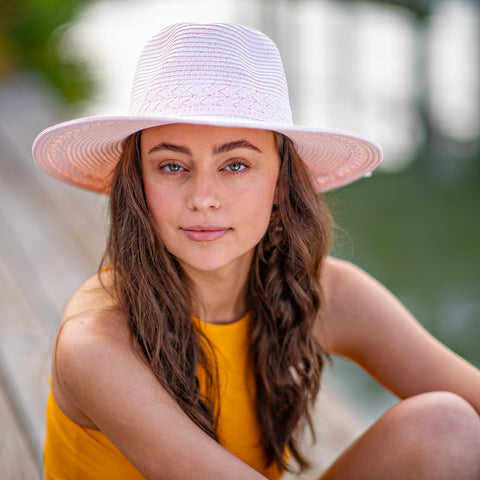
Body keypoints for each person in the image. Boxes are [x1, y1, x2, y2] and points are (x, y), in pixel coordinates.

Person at [32, 22, 480, 480]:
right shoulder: (97, 342)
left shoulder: (322, 292)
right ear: (138, 185)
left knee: (449, 427)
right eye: (171, 165)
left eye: (236, 164)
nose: (203, 196)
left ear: (281, 184)